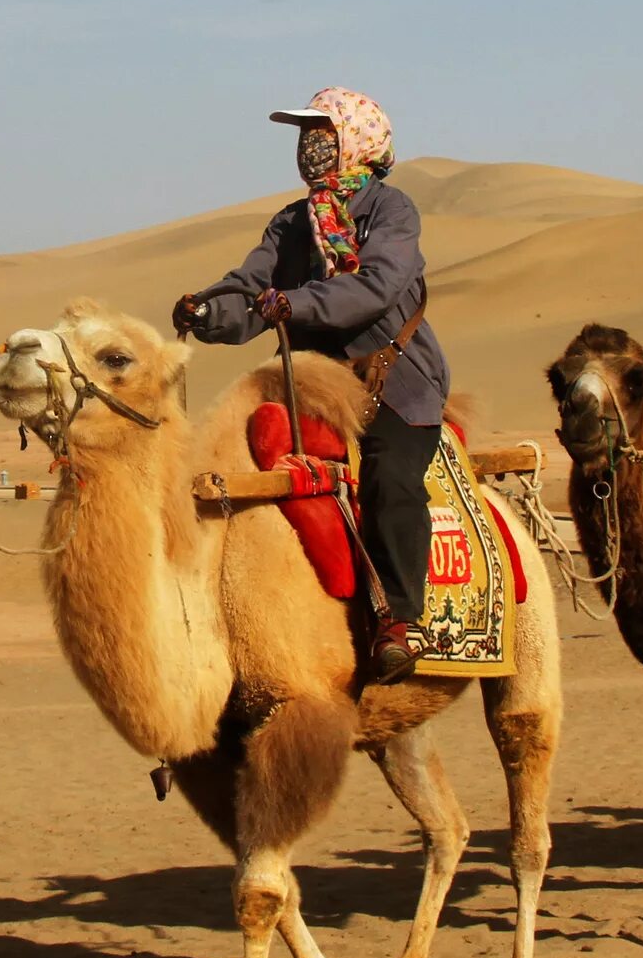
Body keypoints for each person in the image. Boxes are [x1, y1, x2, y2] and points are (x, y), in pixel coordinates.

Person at [175, 88, 445, 684]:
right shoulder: (292, 223)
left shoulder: (392, 212)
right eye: (304, 136)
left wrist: (290, 304)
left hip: (393, 382)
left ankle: (401, 620)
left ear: (357, 140)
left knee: (390, 480)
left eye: (322, 134)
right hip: (312, 389)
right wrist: (209, 312)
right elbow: (250, 290)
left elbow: (374, 287)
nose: (310, 148)